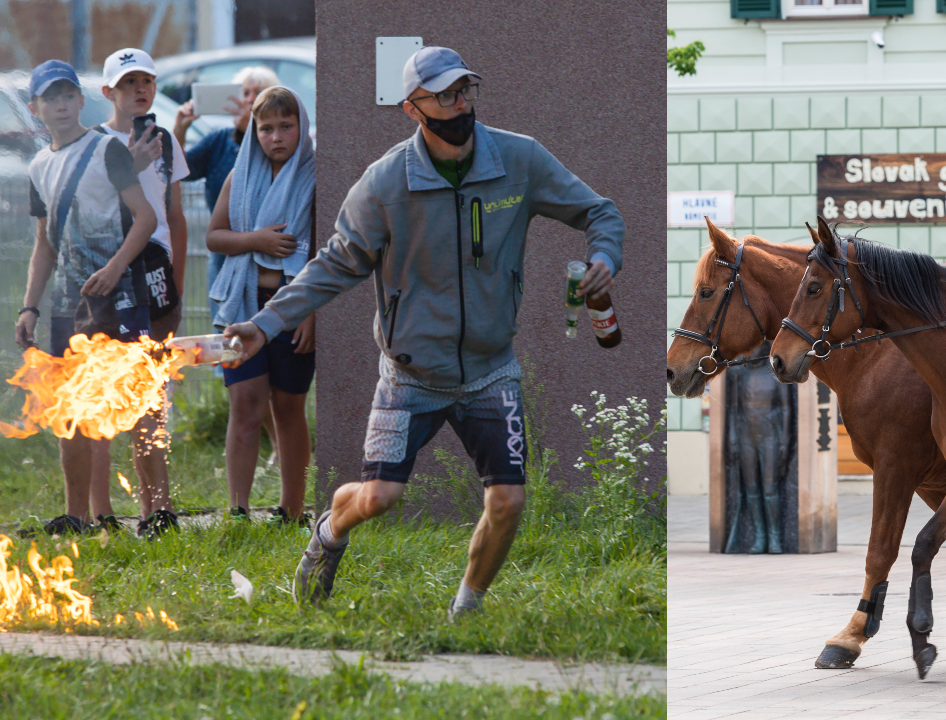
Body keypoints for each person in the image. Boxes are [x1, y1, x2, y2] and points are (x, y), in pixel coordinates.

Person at [221, 46, 624, 619]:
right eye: (444, 95)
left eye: (465, 90)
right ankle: (330, 529)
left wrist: (605, 255)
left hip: (491, 369)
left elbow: (600, 212)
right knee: (379, 497)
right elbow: (334, 264)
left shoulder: (519, 160)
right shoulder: (385, 184)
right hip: (409, 373)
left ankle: (467, 610)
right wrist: (265, 324)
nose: (461, 103)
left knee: (508, 500)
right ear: (413, 108)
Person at [14, 60, 157, 535]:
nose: (58, 105)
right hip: (64, 308)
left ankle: (157, 514)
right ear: (35, 110)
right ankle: (77, 516)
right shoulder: (38, 165)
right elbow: (44, 243)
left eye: (66, 95)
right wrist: (30, 305)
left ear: (80, 100)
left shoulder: (108, 150)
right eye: (48, 98)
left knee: (136, 406)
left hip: (118, 300)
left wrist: (114, 268)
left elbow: (145, 219)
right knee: (69, 413)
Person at [205, 86, 316, 527]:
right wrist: (257, 241)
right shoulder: (239, 177)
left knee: (289, 407)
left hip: (292, 309)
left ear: (301, 127)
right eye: (266, 128)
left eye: (285, 126)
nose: (276, 137)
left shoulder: (316, 175)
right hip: (242, 306)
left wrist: (311, 310)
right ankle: (238, 510)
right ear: (254, 131)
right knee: (245, 406)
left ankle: (292, 510)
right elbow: (215, 236)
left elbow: (326, 253)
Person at [92, 47, 190, 536]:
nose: (139, 90)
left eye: (146, 80)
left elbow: (174, 216)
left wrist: (179, 282)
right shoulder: (96, 144)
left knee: (152, 397)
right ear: (109, 92)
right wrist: (127, 164)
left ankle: (160, 510)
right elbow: (93, 213)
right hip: (112, 282)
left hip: (156, 281)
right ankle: (100, 512)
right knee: (109, 400)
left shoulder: (167, 141)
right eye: (128, 83)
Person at [176, 66, 285, 464]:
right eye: (244, 91)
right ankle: (264, 436)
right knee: (234, 353)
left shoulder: (279, 144)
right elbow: (178, 168)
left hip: (273, 263)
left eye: (258, 92)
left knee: (272, 353)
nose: (248, 99)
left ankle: (275, 440)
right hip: (225, 261)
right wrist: (181, 125)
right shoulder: (221, 141)